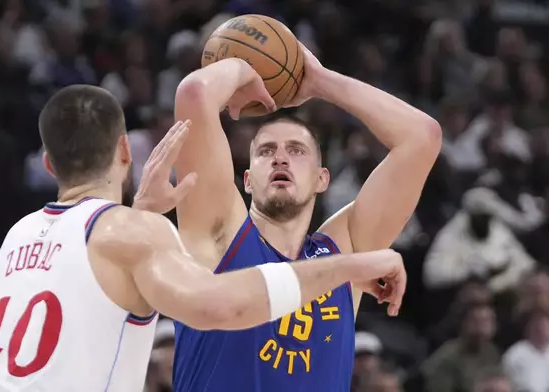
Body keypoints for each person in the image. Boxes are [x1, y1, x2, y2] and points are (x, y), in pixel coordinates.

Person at [0, 85, 407, 391]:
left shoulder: (18, 236)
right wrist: (353, 266)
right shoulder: (132, 234)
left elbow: (95, 298)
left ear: (49, 164)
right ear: (127, 151)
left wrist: (141, 212)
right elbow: (220, 304)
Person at [172, 46, 441, 391]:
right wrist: (242, 65)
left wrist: (318, 80)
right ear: (248, 180)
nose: (280, 159)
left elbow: (423, 137)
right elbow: (195, 93)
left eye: (297, 151)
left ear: (322, 179)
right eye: (266, 151)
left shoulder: (344, 250)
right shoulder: (220, 232)